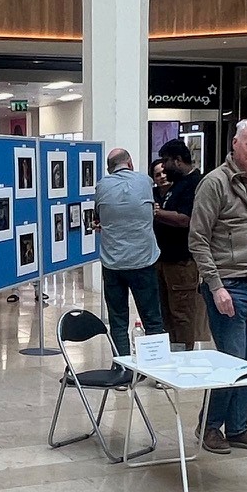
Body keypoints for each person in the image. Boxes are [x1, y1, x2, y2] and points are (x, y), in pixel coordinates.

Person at [188, 119, 247, 455]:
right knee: (231, 362)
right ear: (234, 143)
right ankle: (209, 425)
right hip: (227, 285)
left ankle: (238, 427)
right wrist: (215, 286)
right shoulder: (214, 183)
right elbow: (198, 239)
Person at [95, 147, 166, 360]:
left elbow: (98, 215)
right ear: (130, 163)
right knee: (152, 319)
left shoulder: (101, 186)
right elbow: (151, 210)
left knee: (118, 321)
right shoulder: (145, 181)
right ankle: (157, 369)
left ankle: (122, 370)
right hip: (143, 261)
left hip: (113, 264)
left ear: (109, 169)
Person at [153, 137, 205, 351]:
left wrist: (156, 213)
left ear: (178, 160)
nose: (163, 166)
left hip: (182, 261)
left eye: (166, 161)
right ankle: (171, 356)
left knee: (182, 314)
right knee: (166, 314)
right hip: (164, 259)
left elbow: (186, 219)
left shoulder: (195, 184)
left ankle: (184, 358)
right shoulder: (177, 185)